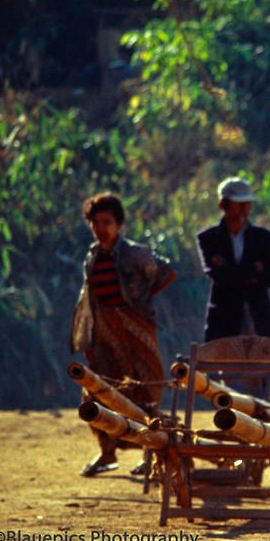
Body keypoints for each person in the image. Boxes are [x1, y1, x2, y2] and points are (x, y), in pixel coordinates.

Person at [70, 193, 176, 476]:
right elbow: (89, 299)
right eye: (96, 222)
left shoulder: (134, 253)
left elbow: (166, 272)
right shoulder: (92, 256)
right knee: (96, 391)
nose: (101, 228)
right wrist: (91, 338)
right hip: (104, 334)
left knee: (145, 391)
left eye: (107, 222)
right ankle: (107, 453)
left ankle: (151, 454)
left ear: (118, 224)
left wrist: (140, 302)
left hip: (137, 330)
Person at [197, 177, 270, 341]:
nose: (245, 209)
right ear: (223, 205)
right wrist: (253, 269)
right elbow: (216, 275)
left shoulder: (262, 237)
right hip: (224, 321)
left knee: (262, 364)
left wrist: (230, 271)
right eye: (240, 204)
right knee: (222, 364)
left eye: (247, 203)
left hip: (258, 319)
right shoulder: (208, 238)